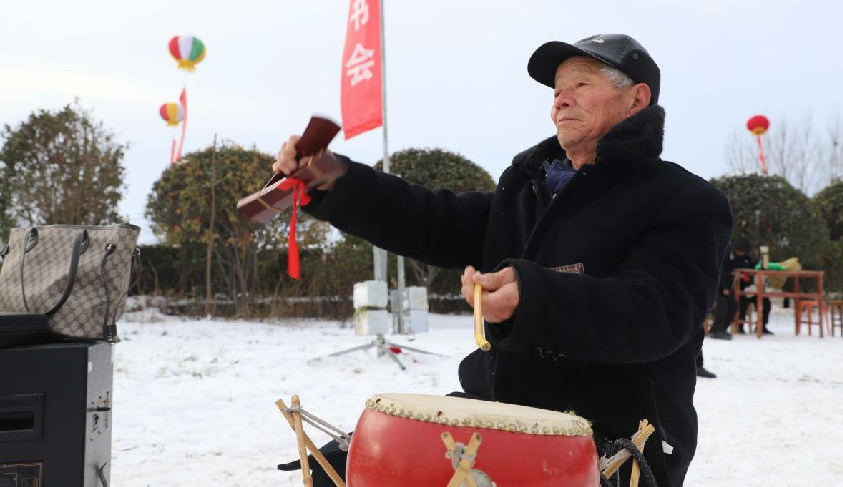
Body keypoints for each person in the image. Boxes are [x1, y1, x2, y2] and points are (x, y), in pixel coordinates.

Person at [273, 33, 732, 487]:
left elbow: (655, 313)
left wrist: (531, 297)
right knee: (347, 469)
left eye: (581, 85)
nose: (560, 101)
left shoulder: (685, 200)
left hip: (614, 436)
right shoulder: (527, 192)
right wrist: (334, 180)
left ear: (636, 99)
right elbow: (433, 218)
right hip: (498, 414)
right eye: (556, 91)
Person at [727, 238, 772, 334]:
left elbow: (756, 269)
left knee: (765, 301)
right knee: (741, 302)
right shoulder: (730, 260)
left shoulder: (749, 259)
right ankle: (740, 326)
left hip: (751, 289)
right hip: (738, 289)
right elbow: (728, 273)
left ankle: (762, 326)